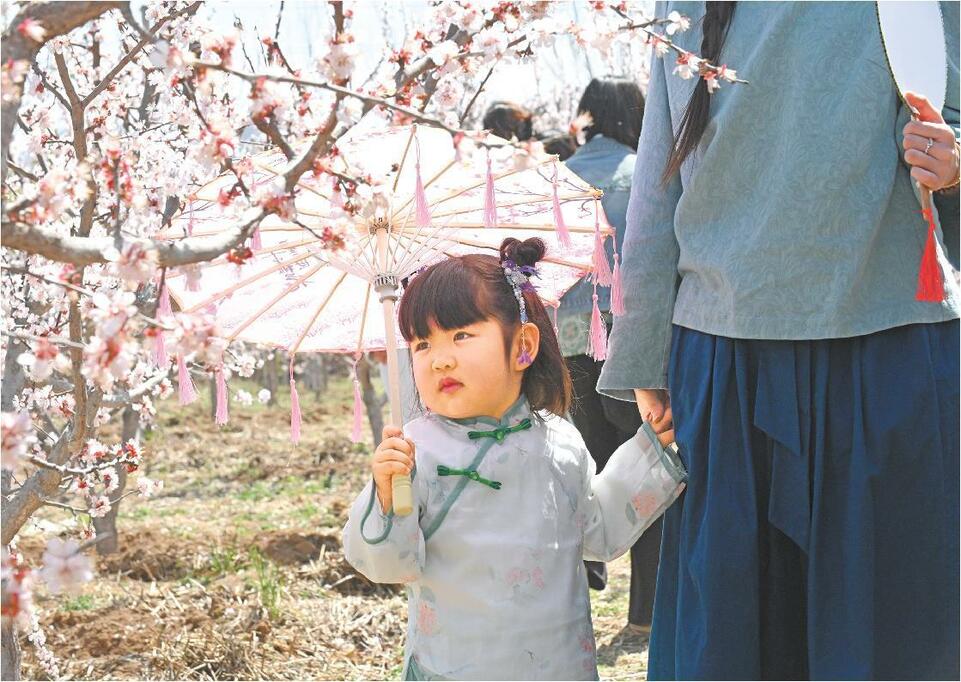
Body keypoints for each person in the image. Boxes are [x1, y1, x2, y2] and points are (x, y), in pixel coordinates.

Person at [598, 2, 960, 679]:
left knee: (891, 645)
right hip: (723, 357)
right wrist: (646, 351)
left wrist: (954, 164)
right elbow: (659, 176)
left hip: (884, 346)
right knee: (736, 649)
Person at [342, 237, 685, 680]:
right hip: (455, 664)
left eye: (461, 335)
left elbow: (598, 531)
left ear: (523, 346)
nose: (440, 360)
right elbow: (389, 565)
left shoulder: (559, 439)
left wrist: (649, 453)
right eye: (422, 344)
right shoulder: (415, 451)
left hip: (556, 663)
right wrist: (387, 497)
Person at [556, 77, 660, 630]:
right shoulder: (647, 173)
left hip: (567, 349)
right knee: (650, 474)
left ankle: (578, 587)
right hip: (632, 345)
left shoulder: (560, 178)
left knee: (581, 471)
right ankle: (644, 612)